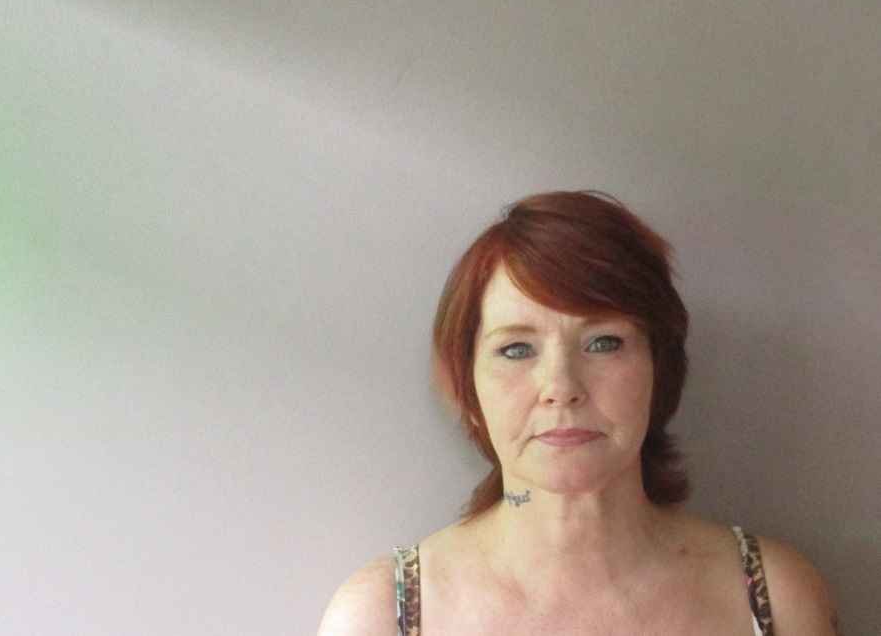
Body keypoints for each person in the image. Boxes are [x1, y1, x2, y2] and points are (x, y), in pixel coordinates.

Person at [318, 191, 838, 635]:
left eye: (604, 342)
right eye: (516, 349)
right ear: (468, 387)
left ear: (659, 368)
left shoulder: (777, 600)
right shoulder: (379, 617)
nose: (561, 388)